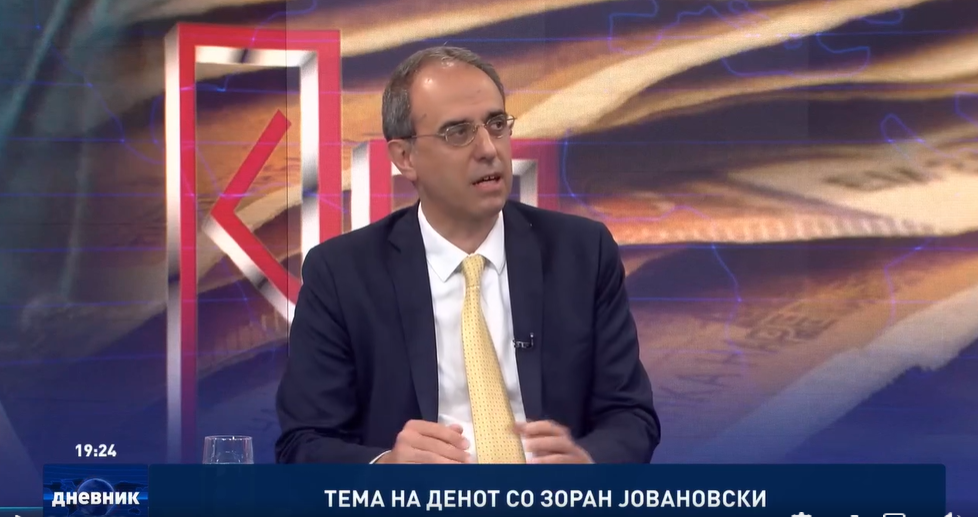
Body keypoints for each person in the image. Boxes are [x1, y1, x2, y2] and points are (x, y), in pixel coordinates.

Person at [275, 46, 660, 464]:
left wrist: (588, 463)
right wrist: (387, 467)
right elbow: (304, 443)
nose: (488, 149)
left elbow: (631, 416)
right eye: (457, 132)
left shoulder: (582, 253)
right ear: (405, 157)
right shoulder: (342, 274)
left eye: (496, 124)